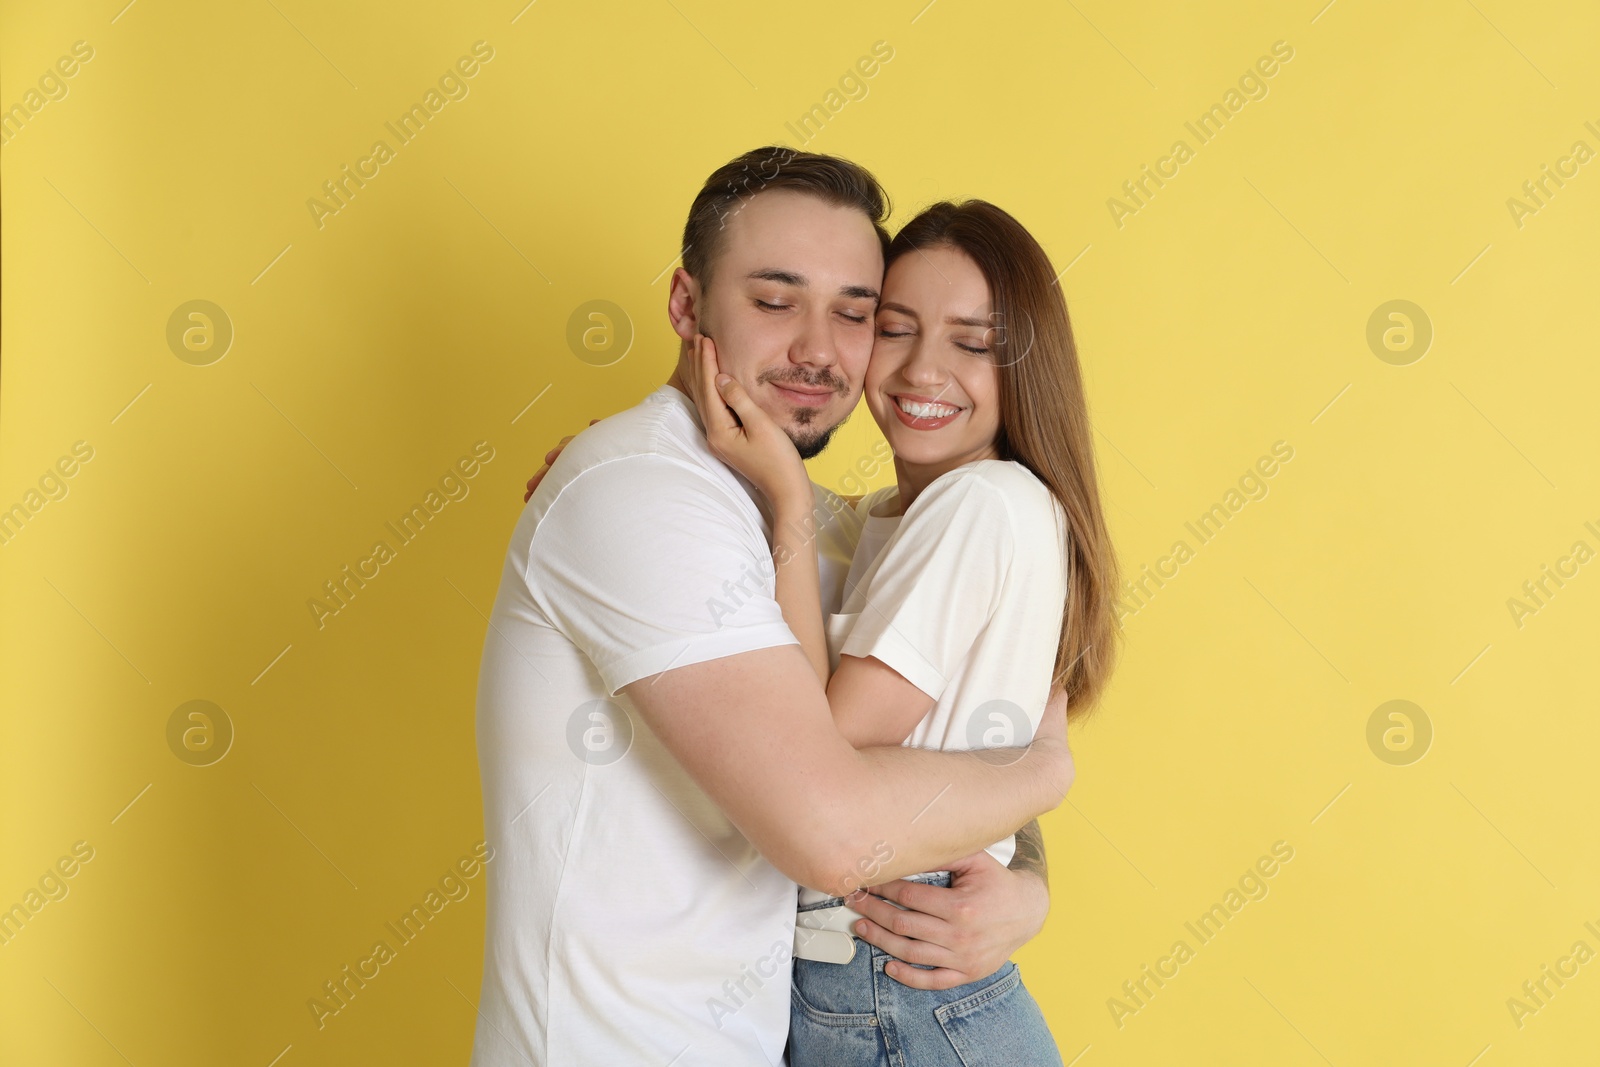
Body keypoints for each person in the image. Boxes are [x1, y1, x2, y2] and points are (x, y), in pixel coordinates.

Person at [469, 147, 1075, 1067]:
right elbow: (841, 833)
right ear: (686, 305)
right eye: (774, 299)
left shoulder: (810, 524)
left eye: (854, 312)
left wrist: (1024, 877)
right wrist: (1041, 772)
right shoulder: (649, 494)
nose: (818, 349)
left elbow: (925, 748)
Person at [677, 198, 1119, 1065]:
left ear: (1026, 363)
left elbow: (828, 742)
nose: (923, 369)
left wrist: (789, 501)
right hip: (899, 974)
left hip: (892, 979)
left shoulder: (978, 504)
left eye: (972, 341)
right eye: (894, 327)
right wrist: (647, 459)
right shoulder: (914, 512)